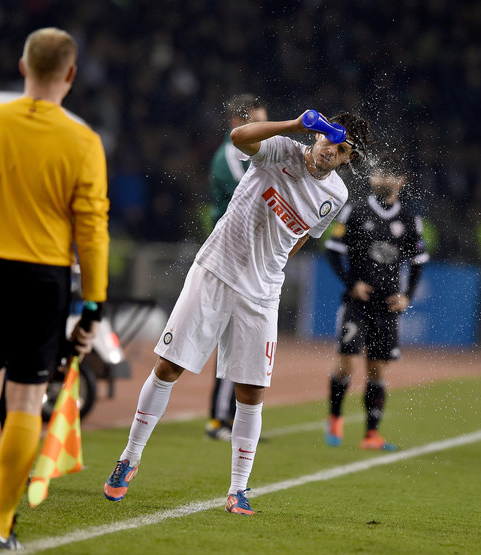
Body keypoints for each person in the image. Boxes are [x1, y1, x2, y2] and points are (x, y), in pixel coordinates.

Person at [103, 109, 374, 515]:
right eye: (327, 140)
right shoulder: (283, 148)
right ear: (318, 135)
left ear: (348, 158)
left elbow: (301, 236)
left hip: (261, 293)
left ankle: (238, 490)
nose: (329, 151)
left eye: (341, 149)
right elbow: (238, 137)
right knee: (169, 366)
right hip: (215, 269)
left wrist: (273, 261)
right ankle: (130, 458)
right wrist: (296, 124)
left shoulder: (336, 196)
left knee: (251, 392)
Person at [0, 27, 109, 550]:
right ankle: (0, 523)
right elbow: (92, 229)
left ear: (22, 66)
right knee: (27, 400)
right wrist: (94, 304)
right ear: (71, 75)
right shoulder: (83, 141)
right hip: (43, 277)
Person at [323, 152, 429, 451]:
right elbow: (332, 250)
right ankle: (334, 417)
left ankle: (371, 434)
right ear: (371, 178)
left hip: (386, 306)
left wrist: (406, 294)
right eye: (380, 174)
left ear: (402, 181)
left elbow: (419, 260)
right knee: (346, 362)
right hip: (357, 302)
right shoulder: (354, 212)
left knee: (377, 370)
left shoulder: (409, 219)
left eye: (390, 175)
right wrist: (351, 283)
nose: (383, 179)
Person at [205, 94, 268, 441]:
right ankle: (218, 418)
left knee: (240, 336)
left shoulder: (250, 154)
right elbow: (251, 195)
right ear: (236, 122)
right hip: (228, 253)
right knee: (229, 336)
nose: (262, 129)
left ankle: (228, 417)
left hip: (248, 254)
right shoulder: (228, 157)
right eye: (255, 122)